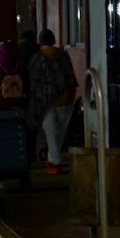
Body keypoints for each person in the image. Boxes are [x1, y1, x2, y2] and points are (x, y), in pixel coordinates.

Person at [26, 28, 77, 174]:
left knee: (50, 133)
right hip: (64, 99)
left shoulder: (37, 58)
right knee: (60, 131)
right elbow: (70, 78)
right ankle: (52, 159)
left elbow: (33, 81)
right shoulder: (63, 56)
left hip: (44, 101)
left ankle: (55, 162)